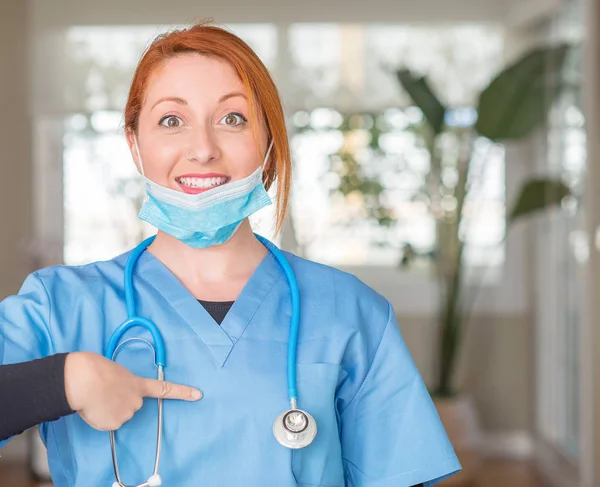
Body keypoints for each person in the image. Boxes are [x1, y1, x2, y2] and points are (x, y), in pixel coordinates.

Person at [0, 22, 460, 487]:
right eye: (171, 120)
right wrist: (62, 381)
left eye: (232, 118)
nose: (202, 149)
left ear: (269, 143)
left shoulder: (350, 312)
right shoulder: (58, 305)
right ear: (135, 144)